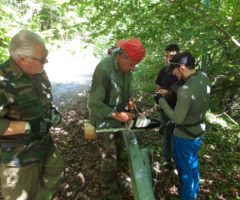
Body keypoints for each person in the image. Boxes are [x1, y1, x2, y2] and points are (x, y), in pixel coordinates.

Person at [0, 30, 64, 200]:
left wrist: (53, 111)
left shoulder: (38, 73)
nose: (46, 63)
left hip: (45, 146)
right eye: (42, 60)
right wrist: (29, 126)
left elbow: (45, 98)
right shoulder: (3, 80)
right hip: (20, 158)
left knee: (54, 176)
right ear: (21, 58)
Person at [88, 38, 145, 200]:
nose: (134, 68)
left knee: (118, 151)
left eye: (136, 65)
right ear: (122, 56)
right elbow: (94, 103)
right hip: (105, 120)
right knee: (109, 159)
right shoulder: (104, 69)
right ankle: (108, 193)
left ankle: (114, 180)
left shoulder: (126, 70)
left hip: (119, 120)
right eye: (132, 63)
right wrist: (116, 115)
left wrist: (129, 100)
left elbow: (124, 90)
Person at [158, 51, 210, 200]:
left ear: (181, 67)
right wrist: (170, 93)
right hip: (198, 132)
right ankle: (193, 193)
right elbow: (192, 100)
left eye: (173, 70)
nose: (173, 74)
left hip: (184, 137)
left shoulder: (185, 90)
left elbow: (177, 118)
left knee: (185, 173)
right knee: (193, 166)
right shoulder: (203, 77)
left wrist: (162, 102)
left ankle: (188, 196)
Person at [155, 44, 182, 167]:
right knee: (166, 133)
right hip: (164, 108)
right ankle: (166, 158)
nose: (168, 58)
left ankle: (178, 160)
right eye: (166, 56)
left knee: (177, 135)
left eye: (171, 56)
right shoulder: (163, 71)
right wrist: (157, 99)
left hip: (179, 109)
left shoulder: (182, 71)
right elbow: (158, 87)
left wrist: (169, 93)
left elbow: (185, 92)